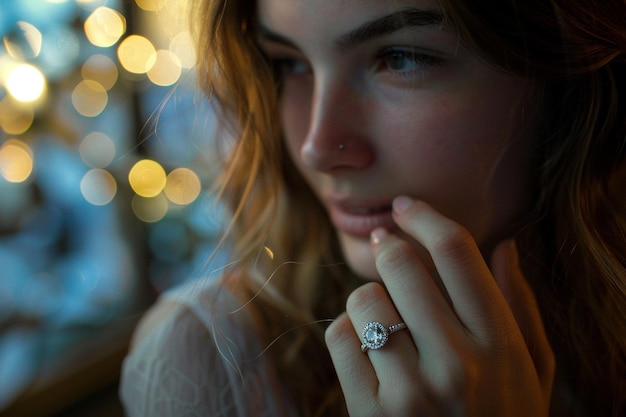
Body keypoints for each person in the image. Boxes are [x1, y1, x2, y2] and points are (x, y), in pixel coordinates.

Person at [120, 0, 626, 416]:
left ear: (563, 87)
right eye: (288, 63)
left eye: (401, 57)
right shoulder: (208, 363)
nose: (318, 146)